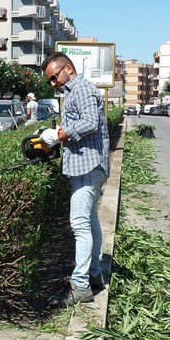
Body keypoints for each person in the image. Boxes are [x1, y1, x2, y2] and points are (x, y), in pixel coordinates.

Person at [40, 52, 110, 306]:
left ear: (68, 68)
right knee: (89, 221)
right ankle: (94, 276)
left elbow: (91, 122)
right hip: (83, 165)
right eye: (49, 80)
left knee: (79, 223)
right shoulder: (72, 91)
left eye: (54, 77)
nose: (52, 83)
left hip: (88, 165)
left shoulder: (81, 88)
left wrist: (60, 134)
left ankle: (80, 285)